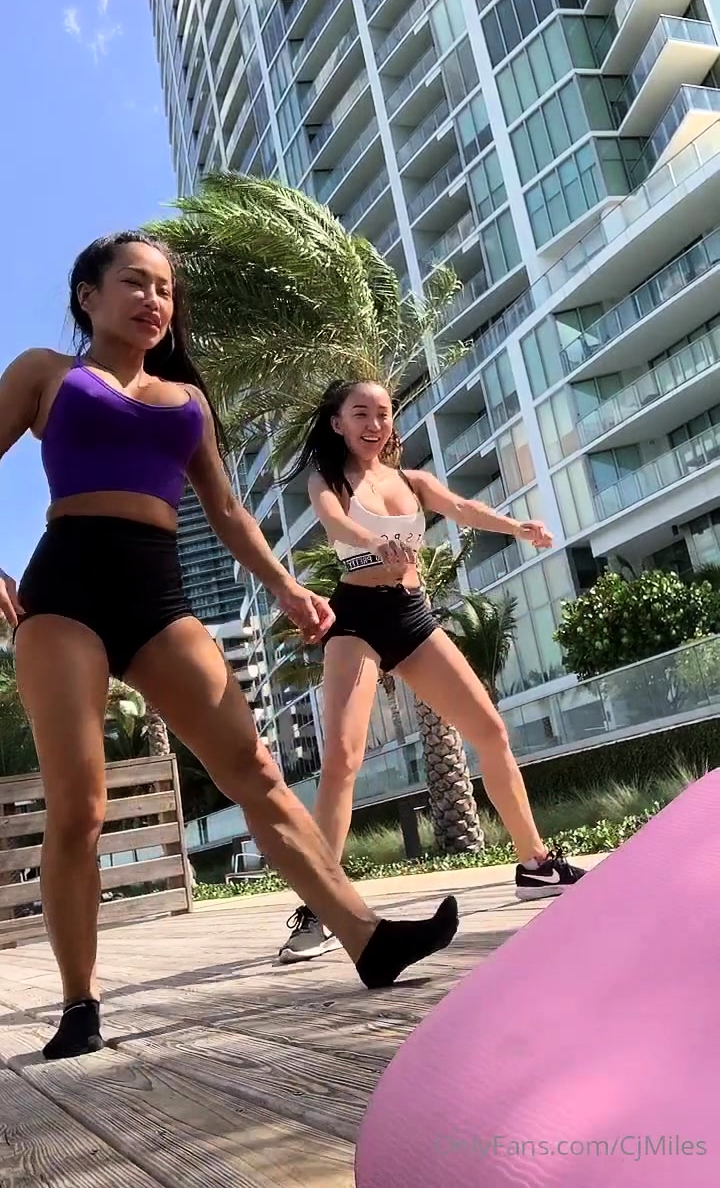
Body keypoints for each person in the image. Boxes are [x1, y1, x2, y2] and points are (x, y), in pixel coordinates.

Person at [0, 232, 460, 1060]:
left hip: (157, 598)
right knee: (80, 806)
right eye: (134, 283)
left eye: (165, 289)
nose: (154, 300)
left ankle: (368, 939)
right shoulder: (46, 374)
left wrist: (285, 585)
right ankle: (79, 1004)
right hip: (63, 594)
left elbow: (226, 510)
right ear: (87, 297)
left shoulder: (186, 402)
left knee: (255, 769)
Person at [277, 378, 586, 963]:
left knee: (490, 733)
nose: (374, 424)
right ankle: (320, 908)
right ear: (338, 423)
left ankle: (536, 865)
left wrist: (517, 527)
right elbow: (336, 525)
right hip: (357, 619)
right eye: (360, 413)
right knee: (342, 759)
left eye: (383, 413)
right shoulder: (329, 480)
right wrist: (376, 542)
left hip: (412, 615)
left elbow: (462, 507)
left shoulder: (413, 481)